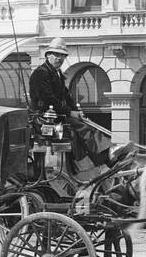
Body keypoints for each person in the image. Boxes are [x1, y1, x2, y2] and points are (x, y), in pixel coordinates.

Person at [28, 38, 112, 172]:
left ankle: (101, 156)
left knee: (86, 124)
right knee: (81, 127)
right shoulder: (40, 73)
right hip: (44, 117)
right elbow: (48, 99)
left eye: (62, 56)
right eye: (57, 55)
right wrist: (70, 112)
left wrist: (76, 111)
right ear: (48, 55)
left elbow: (66, 96)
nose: (60, 58)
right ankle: (103, 157)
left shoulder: (57, 74)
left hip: (57, 115)